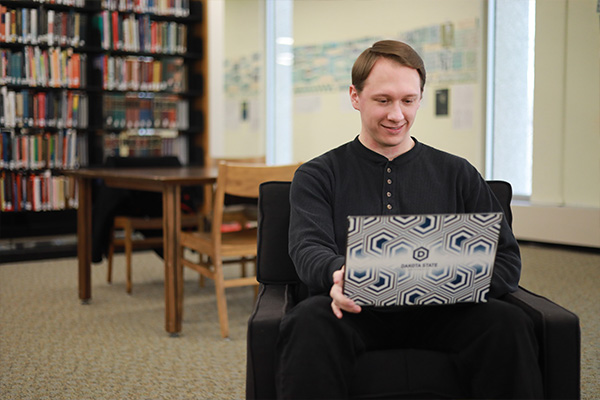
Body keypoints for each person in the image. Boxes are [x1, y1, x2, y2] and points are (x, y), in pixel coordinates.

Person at [276, 40, 543, 399]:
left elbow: (506, 259)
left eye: (408, 100)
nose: (396, 115)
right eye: (383, 100)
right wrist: (344, 273)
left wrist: (458, 280)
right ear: (355, 96)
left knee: (507, 323)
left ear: (420, 97)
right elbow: (309, 248)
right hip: (355, 310)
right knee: (309, 321)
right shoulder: (318, 174)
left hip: (447, 311)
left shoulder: (458, 173)